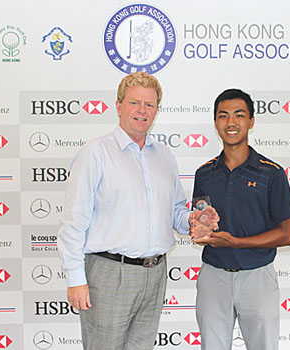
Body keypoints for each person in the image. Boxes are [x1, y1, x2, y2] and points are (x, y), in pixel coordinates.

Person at [57, 72, 217, 350]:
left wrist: (195, 220)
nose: (142, 111)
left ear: (157, 110)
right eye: (134, 103)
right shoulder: (94, 153)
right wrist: (75, 279)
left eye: (150, 104)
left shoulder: (164, 155)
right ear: (118, 106)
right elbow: (74, 222)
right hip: (109, 274)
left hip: (154, 274)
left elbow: (176, 212)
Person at [191, 88, 290, 350]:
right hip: (213, 277)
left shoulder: (271, 173)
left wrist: (236, 243)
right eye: (223, 116)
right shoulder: (204, 173)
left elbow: (287, 234)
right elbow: (202, 223)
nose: (231, 123)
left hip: (257, 277)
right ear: (215, 122)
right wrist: (199, 228)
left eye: (239, 115)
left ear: (251, 121)